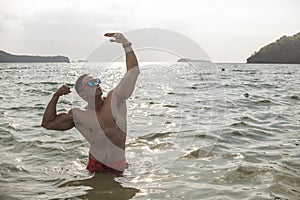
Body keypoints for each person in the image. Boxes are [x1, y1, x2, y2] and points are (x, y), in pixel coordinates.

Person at [41, 33, 140, 173]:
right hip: (94, 166)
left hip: (119, 165)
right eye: (92, 83)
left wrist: (126, 45)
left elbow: (133, 72)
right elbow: (47, 123)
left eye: (97, 81)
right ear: (82, 93)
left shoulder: (115, 99)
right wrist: (56, 96)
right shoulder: (78, 115)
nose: (97, 84)